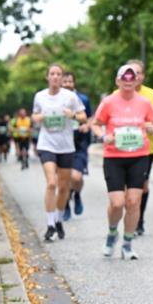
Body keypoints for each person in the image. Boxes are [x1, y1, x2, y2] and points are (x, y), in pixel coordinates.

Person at [91, 64, 153, 260]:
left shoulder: (145, 103)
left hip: (139, 156)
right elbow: (95, 124)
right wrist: (103, 136)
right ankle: (112, 232)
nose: (128, 82)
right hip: (114, 157)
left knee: (133, 201)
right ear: (118, 81)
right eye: (124, 79)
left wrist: (152, 128)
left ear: (137, 81)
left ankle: (128, 243)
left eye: (132, 79)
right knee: (117, 202)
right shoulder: (109, 102)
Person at [32, 65, 87, 241]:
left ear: (62, 78)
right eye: (52, 74)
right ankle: (49, 225)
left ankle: (58, 219)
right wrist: (38, 118)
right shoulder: (40, 96)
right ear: (47, 77)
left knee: (64, 188)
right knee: (51, 183)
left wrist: (72, 115)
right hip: (46, 144)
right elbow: (35, 115)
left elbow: (83, 117)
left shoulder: (70, 97)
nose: (55, 77)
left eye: (58, 74)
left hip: (66, 146)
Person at [114, 60, 153, 236]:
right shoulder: (116, 95)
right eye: (129, 73)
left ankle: (139, 219)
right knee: (122, 191)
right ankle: (125, 218)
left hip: (145, 149)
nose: (133, 77)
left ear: (142, 76)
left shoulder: (152, 96)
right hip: (120, 150)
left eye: (137, 73)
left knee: (141, 187)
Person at [61, 71, 93, 221]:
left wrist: (86, 125)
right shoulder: (56, 100)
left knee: (76, 177)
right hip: (61, 143)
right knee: (65, 178)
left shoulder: (83, 99)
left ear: (74, 83)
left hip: (80, 143)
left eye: (70, 81)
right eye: (64, 81)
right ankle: (66, 204)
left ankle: (77, 194)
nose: (67, 84)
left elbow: (90, 118)